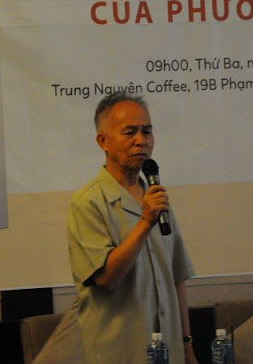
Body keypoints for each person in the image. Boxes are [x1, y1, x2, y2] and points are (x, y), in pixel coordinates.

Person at [66, 91, 198, 364]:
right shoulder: (87, 202)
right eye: (130, 132)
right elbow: (107, 278)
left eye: (147, 131)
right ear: (103, 141)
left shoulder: (156, 197)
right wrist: (145, 222)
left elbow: (176, 278)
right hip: (120, 354)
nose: (141, 140)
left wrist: (187, 347)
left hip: (170, 352)